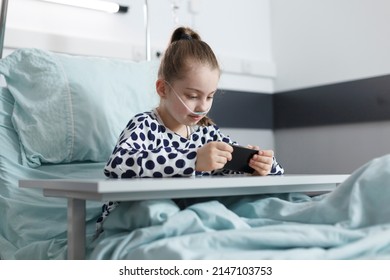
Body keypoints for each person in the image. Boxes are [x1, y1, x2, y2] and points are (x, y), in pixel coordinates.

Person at [96, 27, 284, 234]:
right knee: (159, 210)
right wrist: (193, 160)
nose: (203, 107)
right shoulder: (145, 125)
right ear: (163, 89)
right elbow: (118, 165)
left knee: (259, 204)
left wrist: (260, 165)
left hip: (192, 212)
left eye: (210, 96)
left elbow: (234, 168)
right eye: (193, 96)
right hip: (141, 213)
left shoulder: (206, 132)